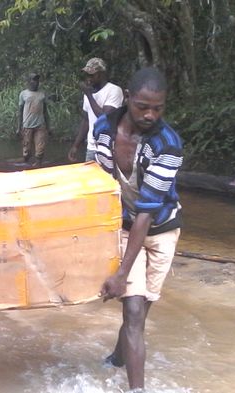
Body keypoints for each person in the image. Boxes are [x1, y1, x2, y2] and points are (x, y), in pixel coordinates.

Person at [95, 67, 183, 392]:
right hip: (124, 225)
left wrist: (121, 273)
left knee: (139, 312)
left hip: (160, 230)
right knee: (133, 311)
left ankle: (118, 359)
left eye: (158, 108)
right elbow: (99, 182)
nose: (150, 114)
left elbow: (147, 212)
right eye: (143, 106)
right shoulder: (103, 128)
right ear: (128, 98)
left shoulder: (168, 144)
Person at [67, 57, 123, 162]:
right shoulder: (89, 92)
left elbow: (105, 119)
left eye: (92, 75)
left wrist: (89, 95)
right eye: (87, 75)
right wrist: (76, 145)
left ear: (101, 74)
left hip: (108, 148)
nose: (88, 78)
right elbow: (86, 120)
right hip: (91, 148)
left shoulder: (114, 90)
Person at [18, 72, 52, 168]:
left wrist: (49, 127)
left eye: (37, 80)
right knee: (27, 151)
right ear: (29, 81)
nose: (35, 82)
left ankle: (38, 165)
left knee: (40, 149)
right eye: (33, 79)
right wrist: (18, 127)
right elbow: (20, 111)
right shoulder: (23, 94)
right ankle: (26, 163)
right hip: (27, 125)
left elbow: (45, 111)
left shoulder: (42, 94)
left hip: (40, 125)